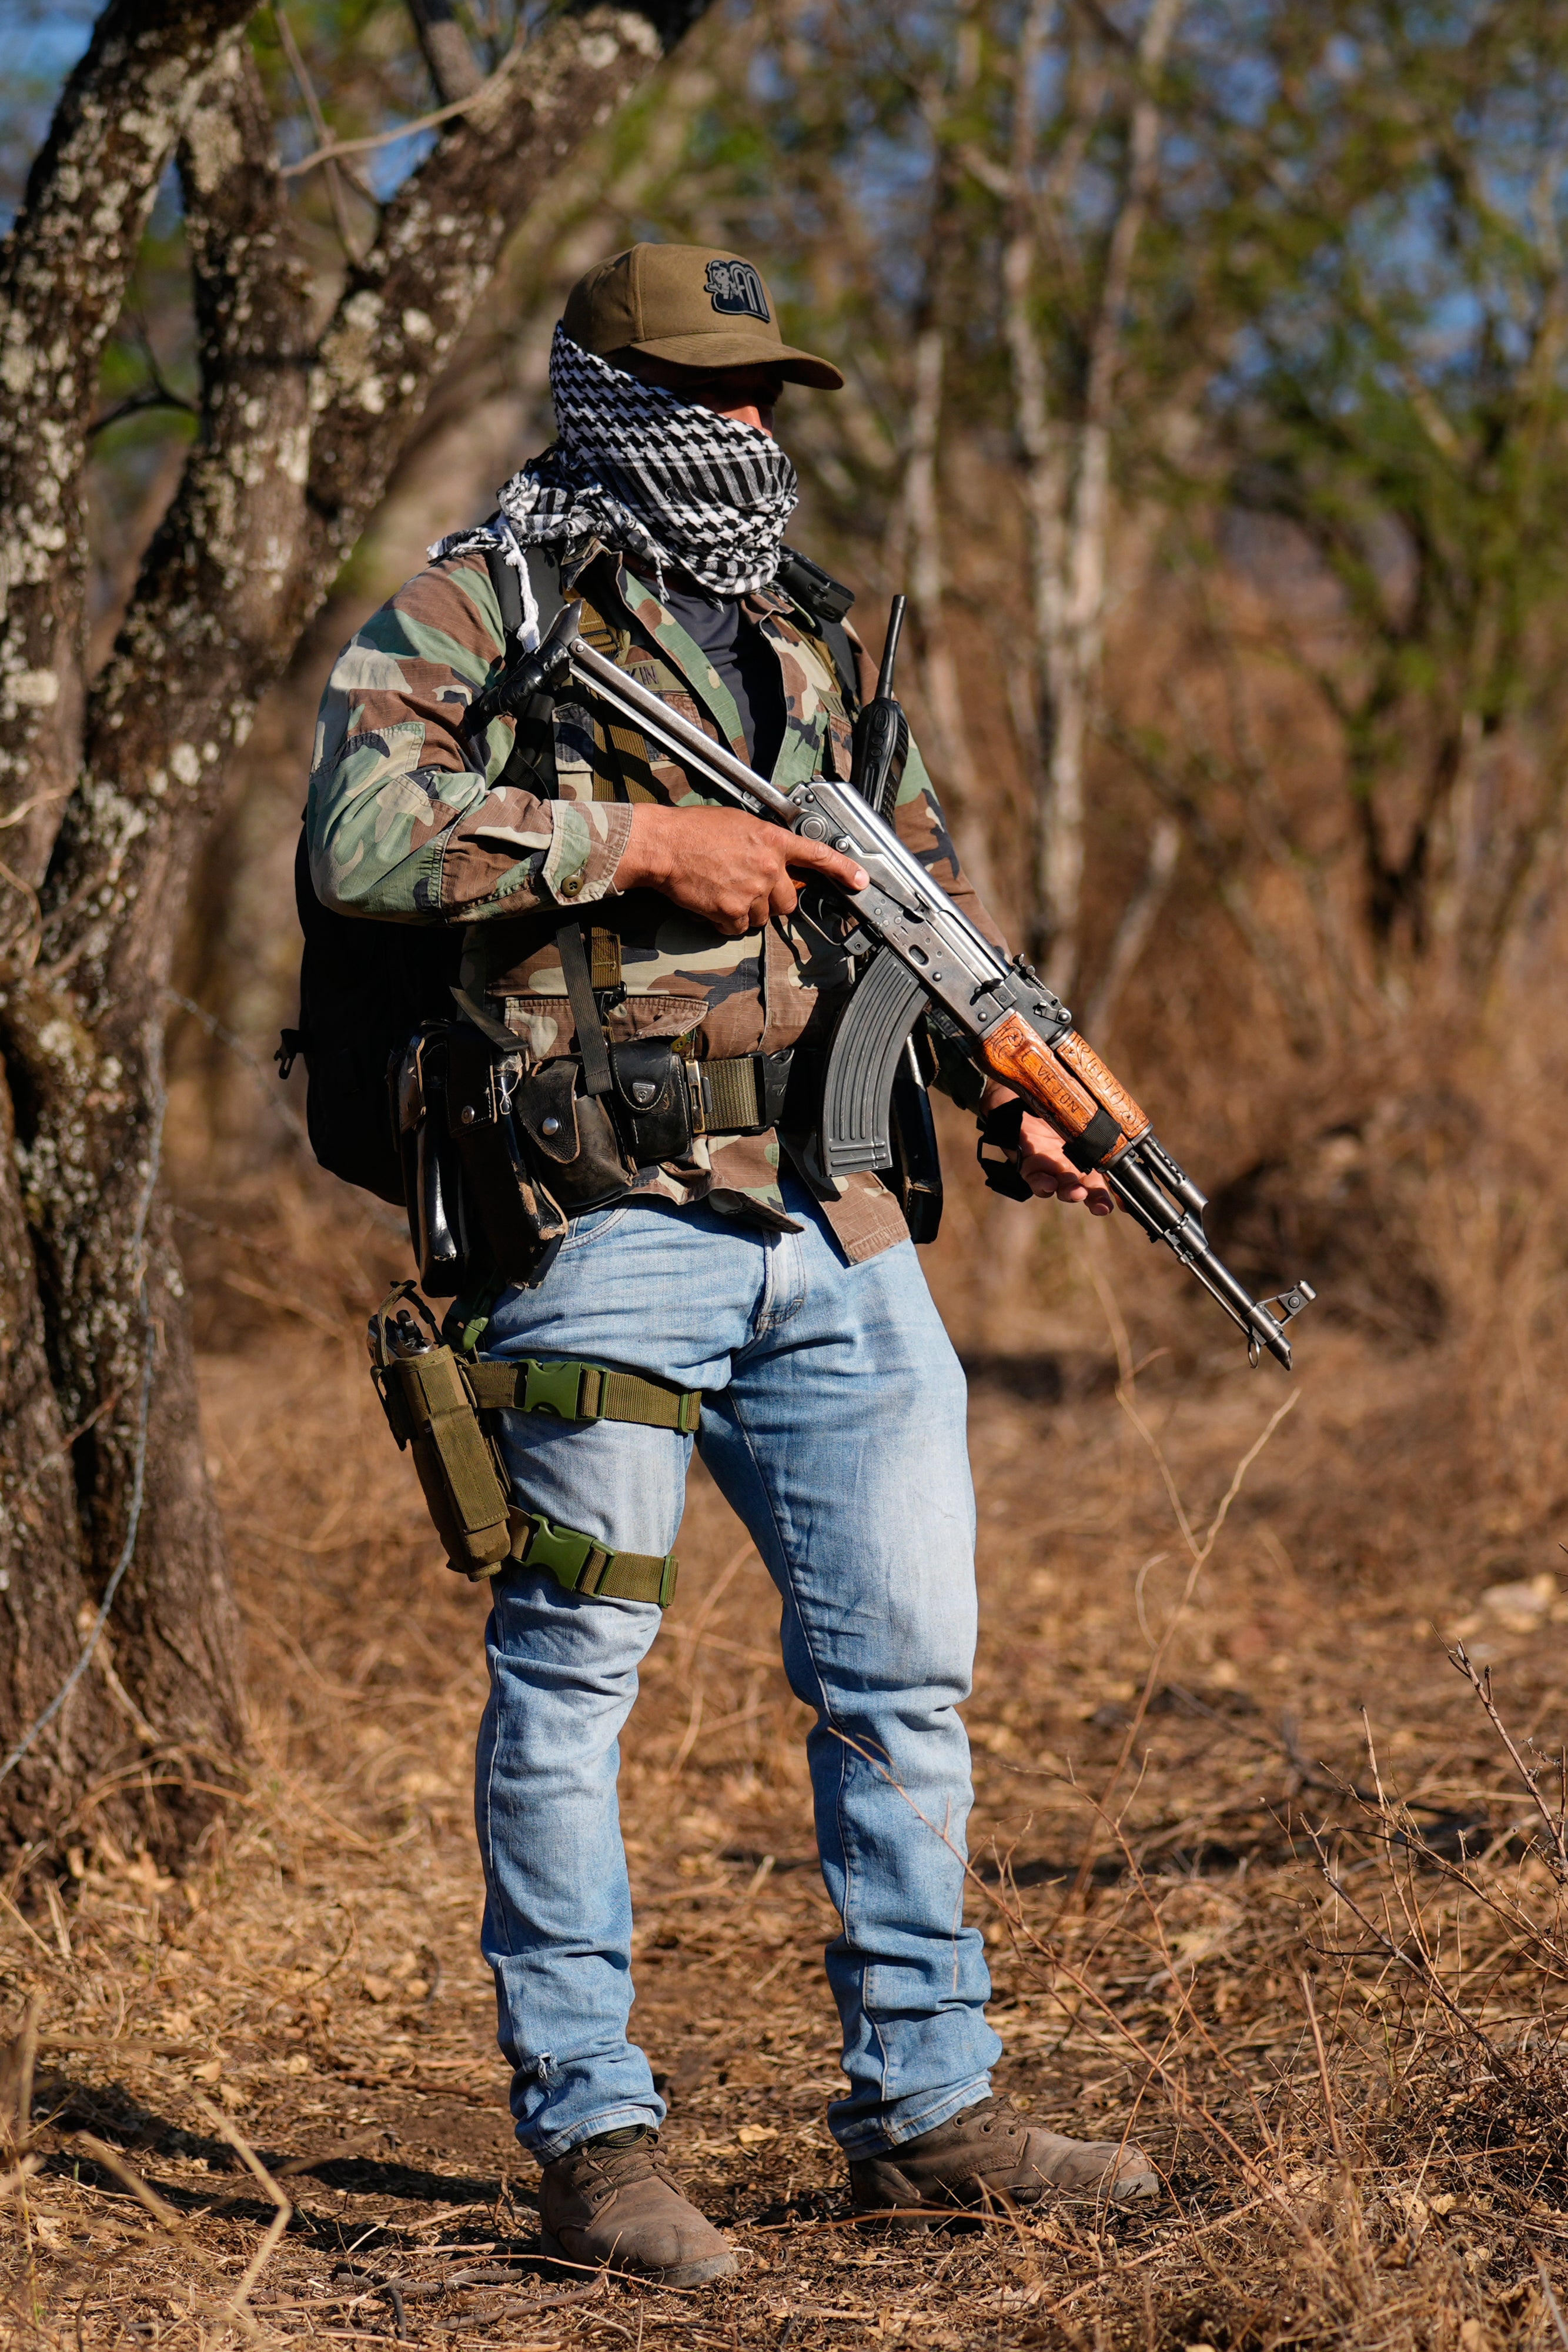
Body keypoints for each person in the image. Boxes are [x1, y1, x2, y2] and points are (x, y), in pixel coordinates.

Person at [307, 243, 1156, 2286]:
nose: (752, 428)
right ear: (602, 396)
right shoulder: (482, 603)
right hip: (594, 1228)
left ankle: (927, 2103)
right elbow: (361, 839)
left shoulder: (816, 631)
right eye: (712, 393)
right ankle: (594, 2140)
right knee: (575, 1678)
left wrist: (1007, 1086)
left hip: (842, 1231)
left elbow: (909, 898)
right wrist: (632, 850)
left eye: (769, 396)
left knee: (904, 1683)